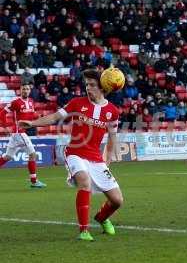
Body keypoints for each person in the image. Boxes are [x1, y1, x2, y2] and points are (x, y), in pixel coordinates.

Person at [19, 69, 123, 241]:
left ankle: (101, 218)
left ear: (103, 87)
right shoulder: (76, 103)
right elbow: (53, 117)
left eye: (92, 85)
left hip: (96, 158)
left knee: (117, 201)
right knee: (84, 182)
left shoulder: (112, 112)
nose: (88, 88)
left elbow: (112, 139)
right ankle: (84, 230)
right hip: (75, 152)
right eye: (86, 85)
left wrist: (107, 162)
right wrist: (32, 123)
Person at [0, 83, 46, 188]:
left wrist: (39, 117)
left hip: (19, 134)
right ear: (20, 90)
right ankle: (34, 182)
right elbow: (1, 114)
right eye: (23, 89)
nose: (25, 91)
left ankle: (34, 182)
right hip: (18, 132)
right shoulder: (15, 102)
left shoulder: (31, 101)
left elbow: (32, 115)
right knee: (33, 155)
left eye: (27, 89)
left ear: (30, 91)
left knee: (7, 157)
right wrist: (6, 126)